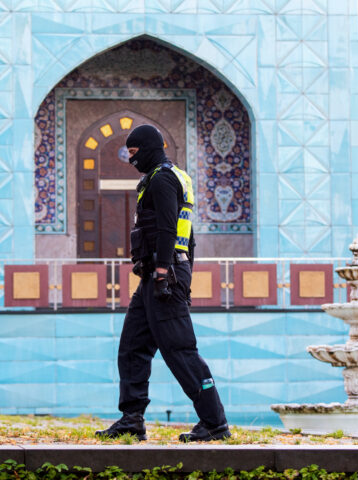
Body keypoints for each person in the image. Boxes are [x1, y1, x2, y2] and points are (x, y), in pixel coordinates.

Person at [95, 124, 230, 442]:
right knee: (132, 347)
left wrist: (163, 273)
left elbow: (170, 230)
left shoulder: (163, 178)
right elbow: (189, 237)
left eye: (133, 152)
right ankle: (132, 419)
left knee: (180, 350)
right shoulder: (164, 177)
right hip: (156, 276)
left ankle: (214, 422)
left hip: (163, 274)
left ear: (147, 148)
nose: (130, 160)